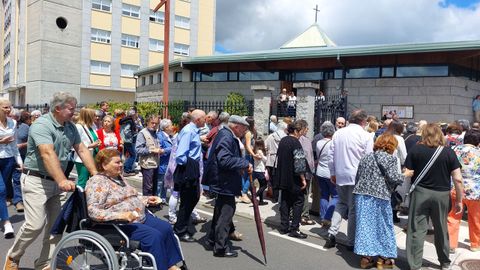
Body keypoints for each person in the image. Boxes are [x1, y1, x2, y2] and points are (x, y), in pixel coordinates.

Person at [5, 92, 98, 270]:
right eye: (71, 109)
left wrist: (96, 174)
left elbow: (82, 150)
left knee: (55, 227)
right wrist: (62, 180)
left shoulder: (70, 127)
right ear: (58, 108)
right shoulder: (42, 124)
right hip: (36, 180)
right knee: (35, 225)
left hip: (57, 183)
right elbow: (47, 153)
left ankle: (44, 263)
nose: (74, 111)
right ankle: (13, 257)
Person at [85, 149, 183, 270]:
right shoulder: (97, 182)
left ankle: (170, 265)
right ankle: (161, 267)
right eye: (117, 162)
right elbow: (93, 211)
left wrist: (146, 199)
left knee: (166, 227)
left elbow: (131, 197)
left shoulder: (118, 177)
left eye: (121, 162)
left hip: (138, 217)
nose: (121, 165)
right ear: (104, 165)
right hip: (119, 224)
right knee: (153, 236)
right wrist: (121, 215)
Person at [405, 123, 464, 270]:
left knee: (416, 229)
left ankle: (415, 264)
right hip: (442, 195)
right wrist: (459, 200)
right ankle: (444, 262)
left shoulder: (416, 150)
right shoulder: (448, 152)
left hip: (420, 192)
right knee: (441, 228)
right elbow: (458, 179)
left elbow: (408, 173)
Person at [353, 134, 412, 269]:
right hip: (379, 196)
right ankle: (383, 259)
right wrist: (405, 174)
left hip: (361, 194)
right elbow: (394, 178)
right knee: (384, 226)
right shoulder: (389, 158)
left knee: (365, 226)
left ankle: (366, 258)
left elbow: (358, 176)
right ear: (391, 146)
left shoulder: (366, 157)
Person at [325, 109, 374, 250]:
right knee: (353, 209)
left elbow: (330, 155)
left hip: (340, 173)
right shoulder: (365, 135)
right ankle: (351, 241)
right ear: (363, 121)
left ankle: (331, 233)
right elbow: (368, 159)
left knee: (341, 203)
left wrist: (333, 172)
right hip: (356, 176)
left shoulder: (338, 133)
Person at [205, 115, 252, 257]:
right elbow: (224, 160)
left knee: (220, 212)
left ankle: (212, 240)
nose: (244, 132)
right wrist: (244, 163)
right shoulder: (226, 136)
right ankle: (221, 248)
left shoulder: (226, 134)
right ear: (236, 126)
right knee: (225, 215)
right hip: (224, 182)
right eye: (243, 129)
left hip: (224, 182)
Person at [173, 109, 206, 242]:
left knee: (193, 197)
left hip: (193, 168)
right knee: (187, 200)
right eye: (204, 118)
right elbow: (181, 156)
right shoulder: (188, 131)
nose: (206, 120)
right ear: (197, 120)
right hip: (188, 169)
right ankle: (180, 230)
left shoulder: (193, 131)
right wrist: (190, 167)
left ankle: (183, 224)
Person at [447, 129, 480, 253]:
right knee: (476, 219)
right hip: (476, 191)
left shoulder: (454, 150)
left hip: (456, 188)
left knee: (453, 217)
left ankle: (451, 244)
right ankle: (475, 244)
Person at [274, 121, 308, 239]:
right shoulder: (296, 142)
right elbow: (299, 162)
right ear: (297, 130)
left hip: (283, 175)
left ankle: (284, 226)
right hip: (293, 177)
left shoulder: (283, 140)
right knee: (298, 202)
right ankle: (294, 228)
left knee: (285, 201)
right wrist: (303, 178)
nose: (303, 133)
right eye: (303, 130)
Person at [0, 99, 23, 239]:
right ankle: (7, 222)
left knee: (3, 189)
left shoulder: (13, 123)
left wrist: (19, 160)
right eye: (5, 107)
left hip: (8, 160)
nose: (8, 110)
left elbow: (14, 145)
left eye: (9, 107)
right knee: (2, 190)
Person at [315, 121, 337, 228]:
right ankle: (328, 217)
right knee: (336, 195)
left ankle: (323, 217)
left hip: (320, 171)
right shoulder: (333, 143)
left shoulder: (319, 143)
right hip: (330, 173)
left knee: (324, 195)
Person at [135, 115, 163, 196]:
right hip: (147, 164)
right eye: (152, 123)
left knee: (154, 185)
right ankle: (147, 205)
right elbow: (138, 149)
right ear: (147, 122)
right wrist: (151, 150)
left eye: (156, 123)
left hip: (156, 163)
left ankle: (152, 204)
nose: (154, 125)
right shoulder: (142, 133)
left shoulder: (156, 133)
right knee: (148, 187)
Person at [74, 108, 101, 188]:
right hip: (83, 159)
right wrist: (91, 145)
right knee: (83, 182)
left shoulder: (92, 126)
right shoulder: (78, 127)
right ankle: (79, 199)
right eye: (94, 115)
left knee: (93, 182)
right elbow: (74, 146)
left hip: (94, 157)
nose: (96, 117)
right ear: (88, 116)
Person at [11, 111, 31, 213]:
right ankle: (8, 196)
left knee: (17, 179)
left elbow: (31, 141)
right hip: (5, 157)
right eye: (11, 117)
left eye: (16, 117)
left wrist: (22, 145)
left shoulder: (25, 127)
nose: (14, 119)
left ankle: (18, 201)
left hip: (20, 156)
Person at [297, 120, 316, 226]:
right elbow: (304, 157)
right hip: (303, 171)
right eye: (307, 128)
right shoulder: (301, 140)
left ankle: (302, 214)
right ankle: (303, 215)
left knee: (304, 194)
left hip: (306, 171)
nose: (308, 130)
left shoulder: (307, 140)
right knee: (303, 194)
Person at [265, 121, 287, 203]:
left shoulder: (271, 136)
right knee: (279, 178)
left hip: (271, 160)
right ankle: (278, 197)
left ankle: (273, 195)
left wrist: (269, 152)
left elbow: (265, 146)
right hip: (280, 160)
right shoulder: (285, 137)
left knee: (271, 178)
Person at [157, 118, 175, 204]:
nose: (172, 127)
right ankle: (157, 199)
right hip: (162, 163)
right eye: (171, 125)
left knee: (165, 182)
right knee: (160, 182)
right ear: (166, 127)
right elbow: (159, 150)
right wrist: (172, 149)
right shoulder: (160, 136)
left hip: (167, 163)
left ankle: (163, 198)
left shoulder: (169, 136)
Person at [120, 109, 138, 176]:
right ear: (133, 114)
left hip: (123, 139)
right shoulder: (129, 121)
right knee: (133, 155)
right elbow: (127, 131)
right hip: (127, 140)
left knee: (124, 155)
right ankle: (127, 170)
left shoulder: (125, 119)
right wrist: (133, 134)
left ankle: (124, 168)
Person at [252, 138, 268, 205]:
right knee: (264, 185)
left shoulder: (254, 151)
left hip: (256, 170)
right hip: (260, 171)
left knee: (261, 185)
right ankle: (255, 196)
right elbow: (265, 160)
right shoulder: (260, 152)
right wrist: (266, 156)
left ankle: (261, 201)